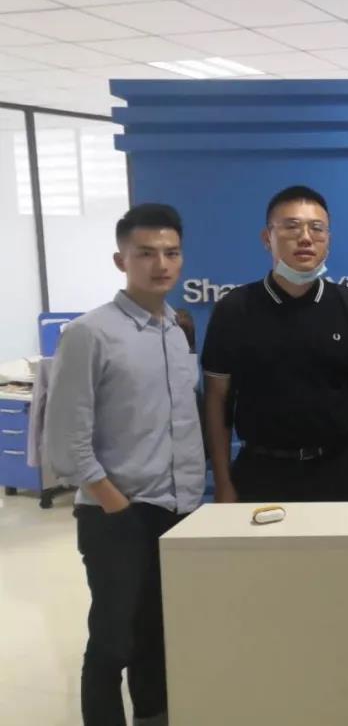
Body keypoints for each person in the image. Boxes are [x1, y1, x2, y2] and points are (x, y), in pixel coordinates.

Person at [46, 203, 204, 726]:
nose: (161, 264)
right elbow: (66, 438)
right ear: (121, 260)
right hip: (118, 513)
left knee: (157, 633)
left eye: (171, 253)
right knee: (113, 640)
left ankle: (153, 717)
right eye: (146, 253)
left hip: (177, 509)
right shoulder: (90, 333)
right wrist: (116, 504)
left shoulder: (178, 330)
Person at [201, 185, 348, 502]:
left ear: (328, 240)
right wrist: (223, 481)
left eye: (317, 228)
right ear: (267, 237)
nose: (305, 238)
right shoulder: (235, 308)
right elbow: (217, 399)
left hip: (337, 469)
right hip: (262, 471)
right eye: (292, 226)